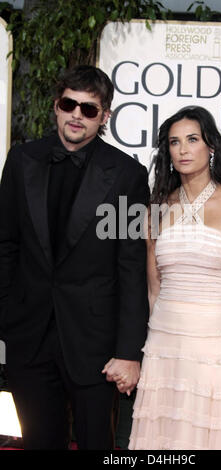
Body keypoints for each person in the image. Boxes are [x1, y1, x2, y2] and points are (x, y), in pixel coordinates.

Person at [0, 65, 149, 450]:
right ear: (56, 106)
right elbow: (5, 245)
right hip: (29, 337)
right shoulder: (21, 161)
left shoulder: (126, 175)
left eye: (89, 109)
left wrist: (128, 352)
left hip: (95, 346)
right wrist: (6, 317)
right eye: (69, 104)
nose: (76, 116)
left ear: (105, 117)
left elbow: (131, 267)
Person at [128, 106, 221, 450]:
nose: (182, 150)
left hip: (213, 344)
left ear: (211, 146)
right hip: (164, 347)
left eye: (192, 139)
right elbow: (154, 289)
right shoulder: (155, 210)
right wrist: (149, 348)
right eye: (174, 142)